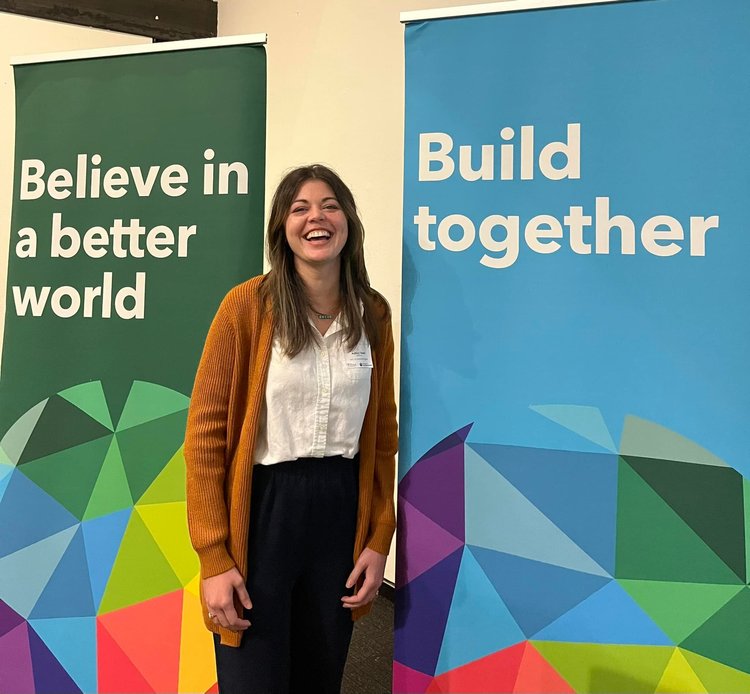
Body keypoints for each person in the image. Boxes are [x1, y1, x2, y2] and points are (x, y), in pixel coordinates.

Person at [184, 164, 397, 694]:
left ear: (348, 221)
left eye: (329, 205)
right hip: (264, 510)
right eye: (300, 208)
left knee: (319, 678)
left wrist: (379, 537)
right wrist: (213, 557)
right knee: (252, 677)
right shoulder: (246, 307)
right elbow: (205, 438)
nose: (315, 217)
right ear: (282, 227)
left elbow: (382, 437)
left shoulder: (372, 313)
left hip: (340, 509)